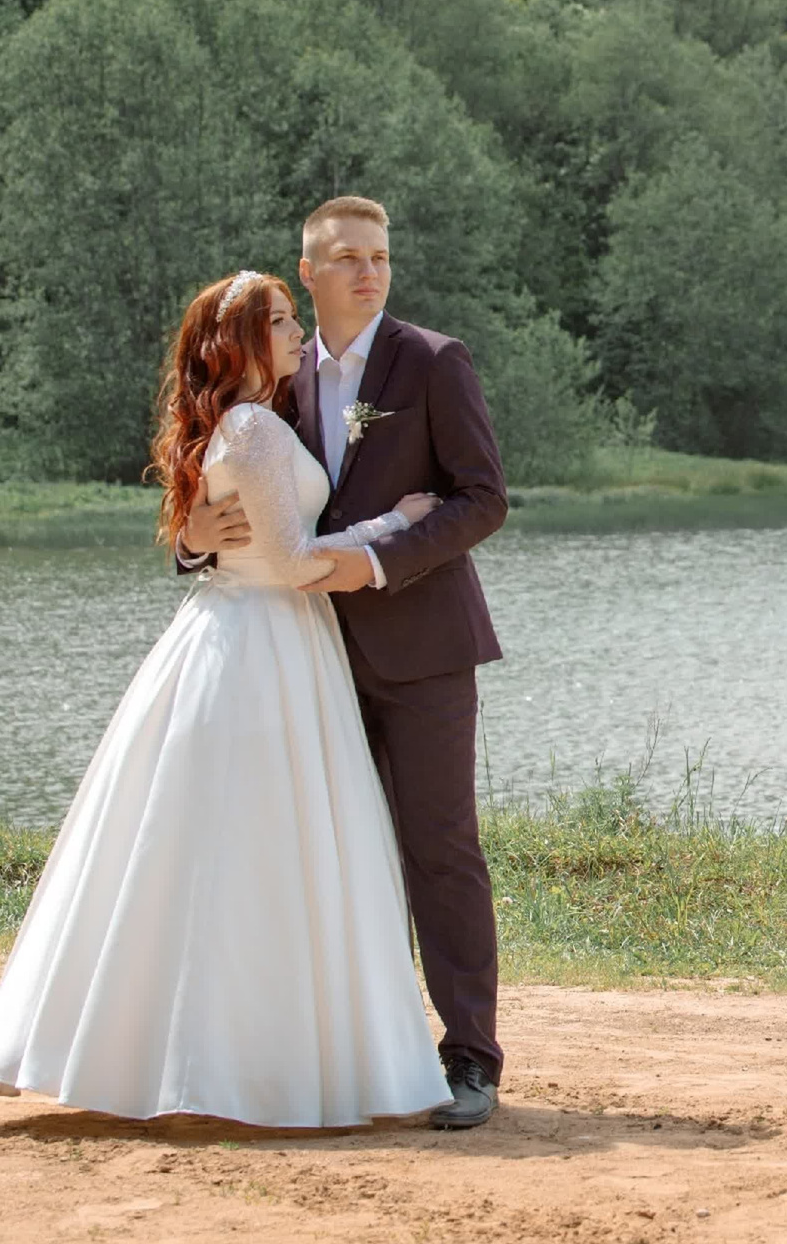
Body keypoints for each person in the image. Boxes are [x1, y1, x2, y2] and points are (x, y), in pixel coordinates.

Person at [0, 270, 453, 1128]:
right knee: (257, 850)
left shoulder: (256, 420)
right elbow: (297, 561)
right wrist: (396, 524)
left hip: (263, 633)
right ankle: (247, 1067)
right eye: (282, 322)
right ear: (244, 342)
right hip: (259, 643)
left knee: (214, 850)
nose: (299, 335)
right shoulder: (256, 427)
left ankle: (199, 1056)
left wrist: (199, 541)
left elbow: (247, 538)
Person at [178, 196, 511, 1129]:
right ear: (310, 269)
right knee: (333, 856)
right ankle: (366, 1052)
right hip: (305, 659)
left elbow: (482, 499)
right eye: (348, 258)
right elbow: (233, 490)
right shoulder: (276, 372)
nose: (369, 271)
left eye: (381, 257)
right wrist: (197, 541)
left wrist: (376, 560)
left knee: (438, 849)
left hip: (422, 650)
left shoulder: (433, 362)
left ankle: (470, 1059)